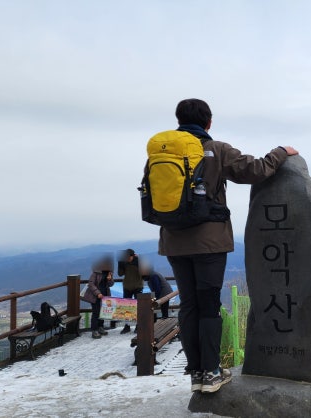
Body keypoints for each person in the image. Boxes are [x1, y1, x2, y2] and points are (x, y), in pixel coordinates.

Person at [157, 98, 298, 394]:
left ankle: (196, 372)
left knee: (189, 305)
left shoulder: (162, 152)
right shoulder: (216, 150)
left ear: (178, 120)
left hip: (173, 241)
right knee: (209, 306)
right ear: (208, 122)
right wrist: (281, 152)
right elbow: (256, 170)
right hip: (208, 242)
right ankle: (210, 373)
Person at [82, 255, 115, 339]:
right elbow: (91, 283)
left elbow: (111, 285)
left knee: (103, 312)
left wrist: (109, 279)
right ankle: (94, 330)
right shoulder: (96, 272)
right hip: (95, 295)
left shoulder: (109, 272)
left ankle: (100, 327)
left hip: (104, 295)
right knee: (96, 312)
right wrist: (97, 293)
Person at [117, 249, 142, 333]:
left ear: (133, 255)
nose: (127, 259)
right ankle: (127, 326)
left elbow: (145, 273)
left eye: (129, 257)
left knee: (138, 307)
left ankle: (139, 326)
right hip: (127, 286)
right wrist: (120, 264)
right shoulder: (124, 262)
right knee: (126, 308)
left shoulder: (140, 261)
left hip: (137, 286)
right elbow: (120, 274)